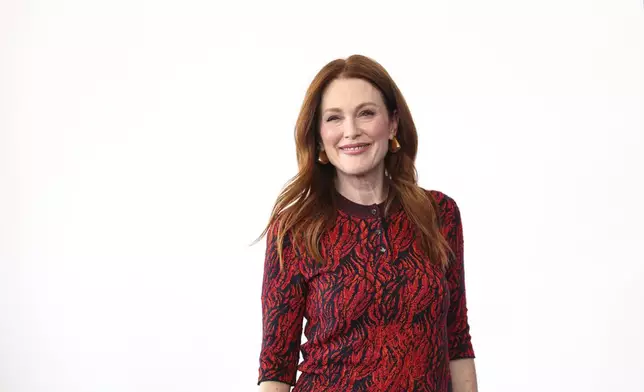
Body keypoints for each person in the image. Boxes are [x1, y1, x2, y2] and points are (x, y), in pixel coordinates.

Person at [256, 55, 478, 392]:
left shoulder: (440, 214)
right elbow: (276, 366)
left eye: (366, 113)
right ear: (318, 136)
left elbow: (457, 338)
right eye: (334, 118)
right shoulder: (295, 230)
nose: (351, 131)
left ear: (392, 124)